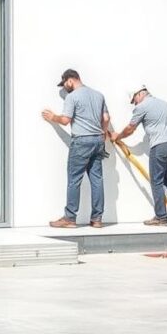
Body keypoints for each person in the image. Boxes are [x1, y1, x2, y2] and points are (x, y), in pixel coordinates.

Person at [112, 85, 167, 226]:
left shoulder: (142, 106)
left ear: (139, 94)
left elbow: (130, 128)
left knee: (156, 181)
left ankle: (161, 217)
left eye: (134, 101)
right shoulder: (163, 103)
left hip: (160, 146)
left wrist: (117, 137)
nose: (135, 104)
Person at [42, 69, 110, 229]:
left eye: (65, 84)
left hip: (81, 141)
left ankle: (70, 218)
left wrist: (53, 118)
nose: (65, 88)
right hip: (97, 140)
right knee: (97, 180)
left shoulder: (72, 97)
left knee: (74, 179)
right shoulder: (98, 95)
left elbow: (65, 120)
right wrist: (103, 133)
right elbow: (106, 118)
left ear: (70, 80)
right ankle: (97, 219)